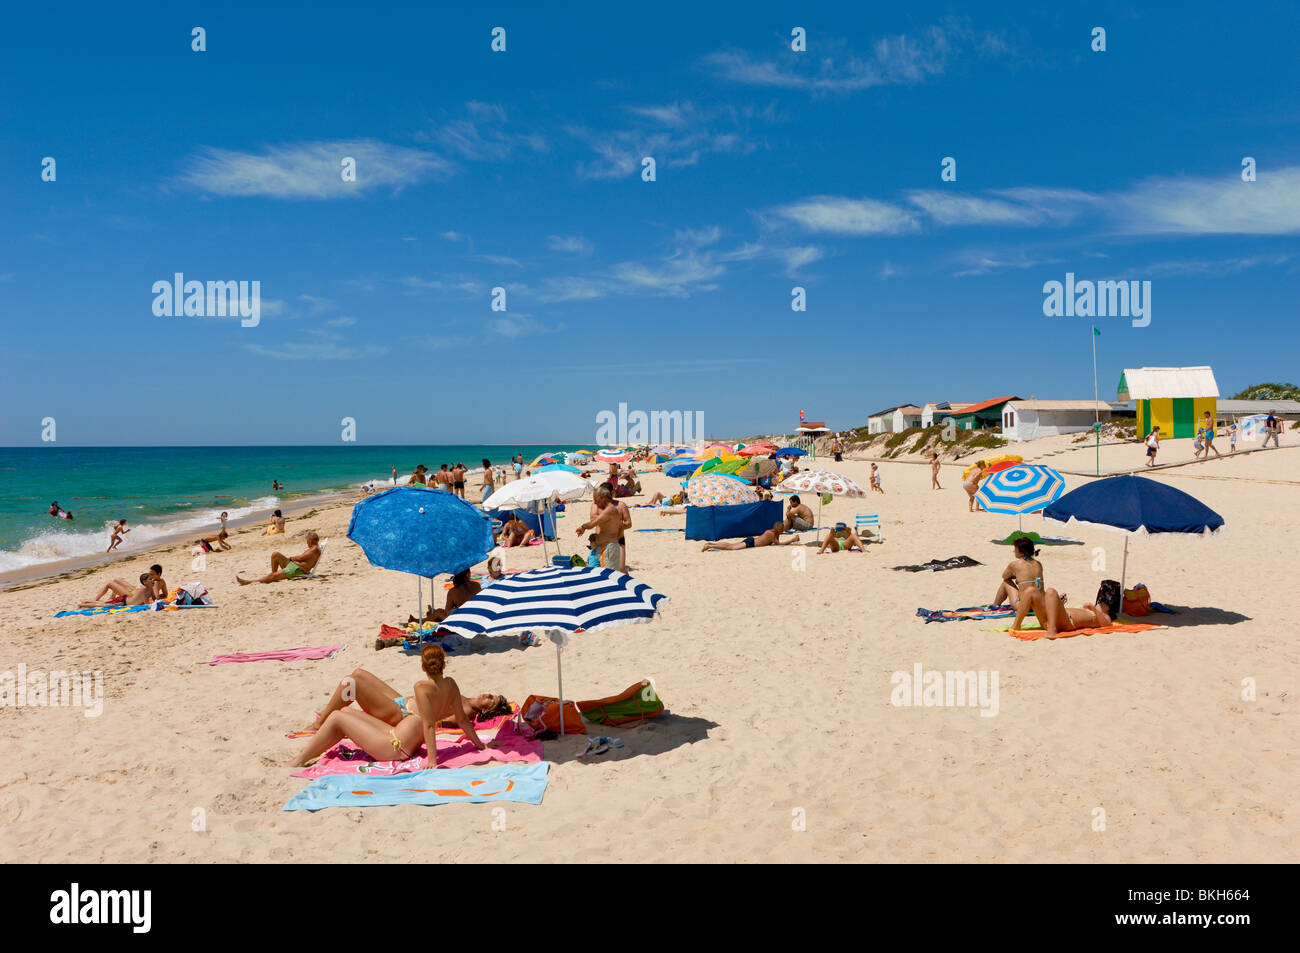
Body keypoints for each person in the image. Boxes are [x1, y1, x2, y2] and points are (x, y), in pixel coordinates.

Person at [291, 646, 489, 768]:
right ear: (444, 664)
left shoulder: (422, 688)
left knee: (336, 717)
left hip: (396, 747)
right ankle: (311, 746)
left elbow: (431, 725)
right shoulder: (451, 684)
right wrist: (481, 745)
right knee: (343, 711)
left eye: (491, 700)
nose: (488, 695)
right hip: (396, 735)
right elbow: (462, 722)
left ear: (423, 667)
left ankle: (299, 760)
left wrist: (432, 760)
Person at [299, 665, 510, 736]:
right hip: (401, 701)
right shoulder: (466, 699)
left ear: (486, 711)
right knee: (359, 673)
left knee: (351, 683)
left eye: (490, 700)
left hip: (400, 715)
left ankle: (319, 724)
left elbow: (448, 724)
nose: (487, 695)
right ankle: (328, 714)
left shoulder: (468, 712)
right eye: (491, 694)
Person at [1010, 586, 1111, 638]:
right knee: (1031, 590)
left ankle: (1052, 630)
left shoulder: (1105, 616)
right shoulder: (1087, 608)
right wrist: (1058, 602)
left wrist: (1094, 609)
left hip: (1066, 623)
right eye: (1101, 601)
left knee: (1051, 591)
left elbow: (1106, 626)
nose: (1101, 603)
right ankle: (1016, 625)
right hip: (1052, 620)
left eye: (1105, 604)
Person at [237, 532, 322, 585]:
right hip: (294, 566)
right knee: (275, 555)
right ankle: (273, 576)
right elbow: (302, 558)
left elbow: (300, 558)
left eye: (307, 541)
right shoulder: (314, 549)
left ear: (310, 540)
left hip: (297, 570)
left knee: (273, 575)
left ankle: (250, 582)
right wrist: (293, 559)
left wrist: (292, 558)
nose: (307, 543)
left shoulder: (314, 549)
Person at [576, 486, 623, 568]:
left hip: (609, 548)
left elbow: (594, 523)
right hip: (607, 547)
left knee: (608, 575)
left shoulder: (610, 510)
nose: (595, 502)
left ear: (603, 498)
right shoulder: (609, 510)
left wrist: (583, 527)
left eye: (595, 499)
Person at [991, 537, 1044, 608]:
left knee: (1006, 582)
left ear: (1021, 551)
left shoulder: (1015, 564)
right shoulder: (1038, 564)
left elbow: (1005, 576)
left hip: (1024, 606)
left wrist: (1016, 575)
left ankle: (995, 605)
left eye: (1015, 549)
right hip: (1039, 604)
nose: (1013, 551)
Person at [701, 521, 800, 552]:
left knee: (731, 546)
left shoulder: (775, 533)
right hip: (751, 543)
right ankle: (710, 545)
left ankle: (711, 545)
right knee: (731, 547)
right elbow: (779, 544)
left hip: (751, 541)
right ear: (778, 529)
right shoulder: (770, 534)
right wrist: (792, 540)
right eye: (782, 529)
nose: (783, 531)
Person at [78, 572, 157, 608]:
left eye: (152, 579)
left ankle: (87, 602)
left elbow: (155, 599)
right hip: (122, 601)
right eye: (150, 579)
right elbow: (147, 604)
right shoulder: (143, 590)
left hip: (126, 598)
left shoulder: (150, 589)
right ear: (145, 582)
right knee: (102, 605)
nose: (153, 581)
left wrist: (160, 602)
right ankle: (82, 604)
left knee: (105, 603)